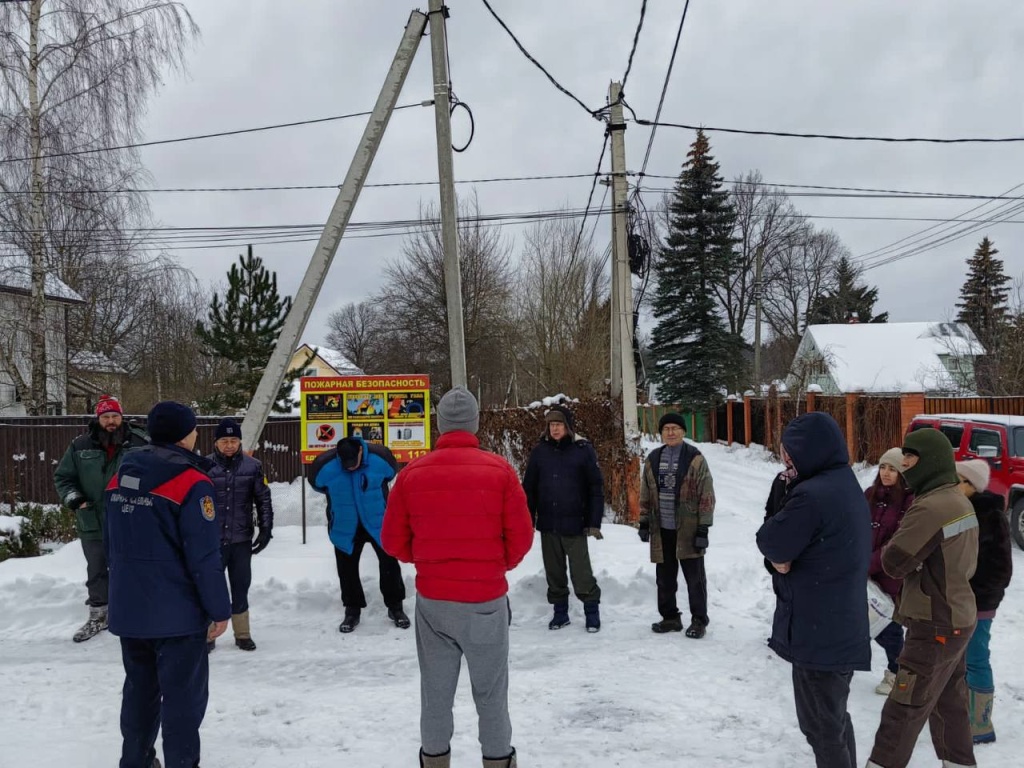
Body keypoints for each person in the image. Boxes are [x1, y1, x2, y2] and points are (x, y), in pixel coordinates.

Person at [381, 386, 534, 768]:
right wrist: (496, 566)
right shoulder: (500, 471)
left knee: (435, 693)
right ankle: (498, 761)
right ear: (475, 423)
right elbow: (522, 537)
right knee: (492, 694)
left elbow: (392, 540)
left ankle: (435, 760)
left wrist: (429, 561)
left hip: (434, 603)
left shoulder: (412, 474)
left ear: (440, 424)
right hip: (485, 602)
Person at [104, 401, 230, 768]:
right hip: (178, 617)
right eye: (193, 429)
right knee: (182, 701)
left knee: (140, 692)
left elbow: (112, 544)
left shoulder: (120, 476)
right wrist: (219, 610)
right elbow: (204, 558)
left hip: (131, 610)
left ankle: (136, 760)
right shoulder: (193, 482)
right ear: (185, 435)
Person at [756, 412, 871, 768]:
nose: (784, 461)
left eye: (788, 453)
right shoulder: (842, 482)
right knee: (834, 720)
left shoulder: (811, 495)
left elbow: (771, 540)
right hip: (838, 626)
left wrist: (780, 556)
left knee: (821, 728)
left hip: (819, 634)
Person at [866, 427, 979, 768]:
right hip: (958, 618)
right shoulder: (958, 498)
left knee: (903, 708)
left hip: (934, 625)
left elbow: (894, 562)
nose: (904, 465)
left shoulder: (930, 507)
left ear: (929, 461)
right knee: (949, 704)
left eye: (911, 458)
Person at [53, 394, 148, 642]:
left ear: (122, 416)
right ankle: (98, 615)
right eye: (106, 416)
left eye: (115, 416)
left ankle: (132, 613)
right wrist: (75, 499)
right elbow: (63, 477)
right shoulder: (80, 445)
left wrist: (132, 490)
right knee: (96, 570)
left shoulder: (139, 442)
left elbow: (152, 476)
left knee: (131, 567)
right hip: (92, 519)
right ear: (98, 418)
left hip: (130, 520)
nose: (111, 421)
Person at [309, 433, 408, 633]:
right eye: (346, 464)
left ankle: (395, 607)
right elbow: (317, 484)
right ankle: (352, 610)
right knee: (347, 569)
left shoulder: (380, 458)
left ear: (361, 451)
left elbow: (390, 474)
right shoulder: (324, 466)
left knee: (389, 564)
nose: (350, 466)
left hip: (378, 523)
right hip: (346, 525)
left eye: (354, 462)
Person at [522, 404, 604, 632]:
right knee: (554, 573)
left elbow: (595, 487)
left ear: (568, 426)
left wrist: (593, 522)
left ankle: (591, 612)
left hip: (575, 524)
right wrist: (527, 519)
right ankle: (560, 613)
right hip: (548, 524)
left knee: (581, 573)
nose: (555, 429)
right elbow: (529, 489)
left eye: (559, 424)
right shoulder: (540, 452)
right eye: (551, 425)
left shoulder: (582, 449)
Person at [637, 413, 715, 638]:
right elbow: (645, 493)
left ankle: (699, 620)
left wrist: (703, 528)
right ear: (661, 433)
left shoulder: (695, 458)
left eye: (675, 428)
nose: (670, 433)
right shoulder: (652, 459)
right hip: (662, 530)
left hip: (689, 530)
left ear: (683, 432)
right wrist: (644, 522)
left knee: (695, 579)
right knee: (665, 577)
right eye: (666, 429)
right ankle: (670, 617)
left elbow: (707, 495)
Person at [955, 459, 1013, 745]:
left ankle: (981, 724)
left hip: (979, 603)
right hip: (960, 600)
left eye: (959, 481)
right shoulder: (961, 511)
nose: (953, 486)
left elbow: (1001, 569)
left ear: (971, 485)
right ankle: (963, 712)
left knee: (976, 658)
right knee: (961, 657)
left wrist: (972, 592)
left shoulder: (989, 515)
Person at [206, 418, 274, 652]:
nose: (229, 445)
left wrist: (266, 529)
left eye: (233, 440)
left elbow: (263, 499)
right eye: (224, 441)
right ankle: (209, 634)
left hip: (241, 539)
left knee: (240, 585)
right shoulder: (204, 466)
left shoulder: (252, 466)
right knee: (211, 587)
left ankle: (242, 633)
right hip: (212, 540)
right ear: (216, 443)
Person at [867, 447, 914, 696]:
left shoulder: (909, 502)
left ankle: (898, 673)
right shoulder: (870, 495)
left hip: (890, 575)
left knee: (888, 626)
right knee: (869, 620)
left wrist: (867, 564)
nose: (886, 473)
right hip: (865, 572)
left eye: (893, 469)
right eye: (883, 467)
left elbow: (897, 544)